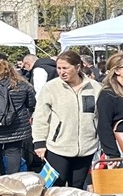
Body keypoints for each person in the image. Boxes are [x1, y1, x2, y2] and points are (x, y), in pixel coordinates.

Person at [31, 49, 102, 188]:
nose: (61, 71)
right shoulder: (51, 88)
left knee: (78, 185)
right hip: (58, 147)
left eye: (65, 68)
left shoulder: (95, 87)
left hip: (87, 147)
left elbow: (100, 115)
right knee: (56, 186)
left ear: (78, 67)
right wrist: (39, 142)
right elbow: (40, 117)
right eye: (59, 68)